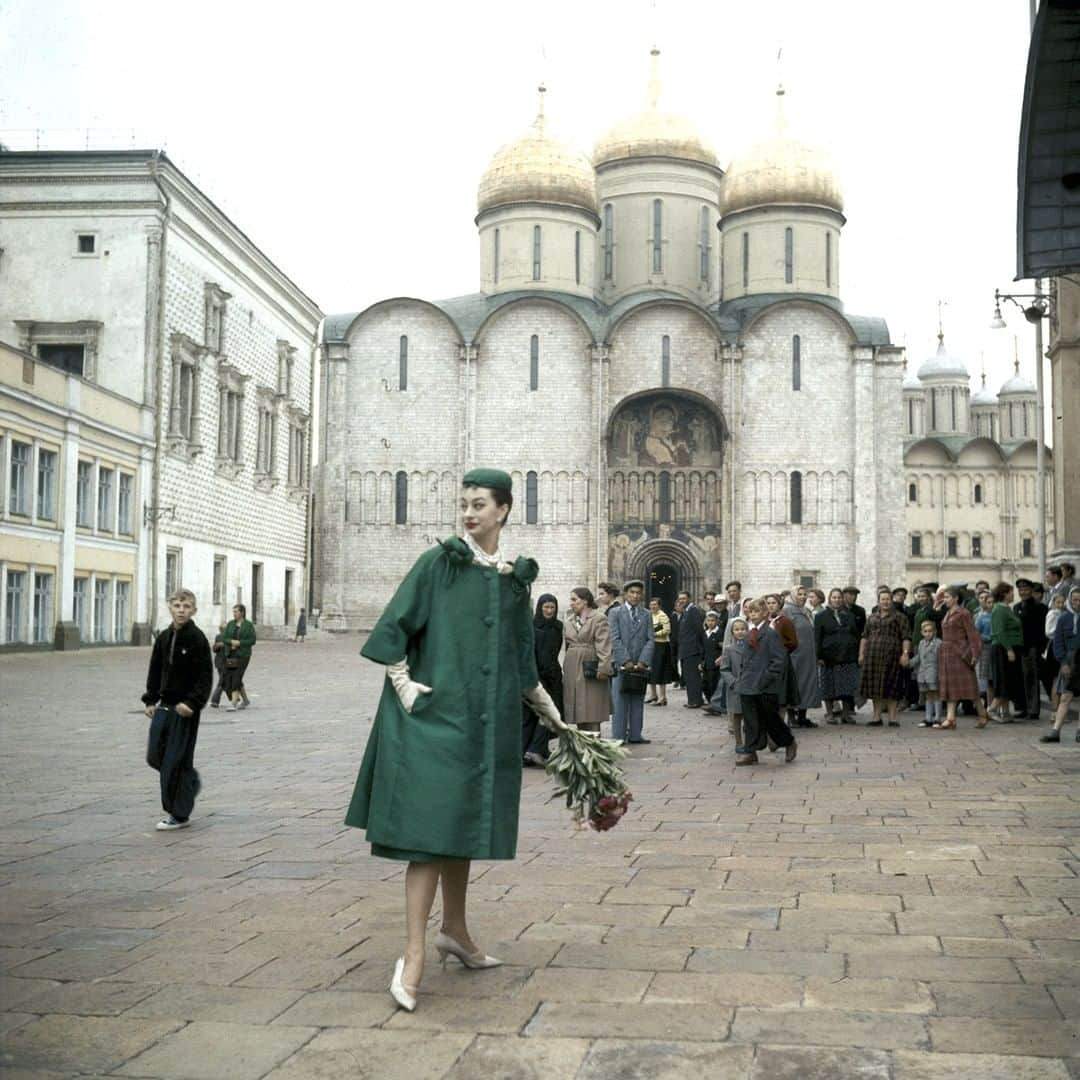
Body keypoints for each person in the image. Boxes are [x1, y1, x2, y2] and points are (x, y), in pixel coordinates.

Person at [344, 468, 566, 1014]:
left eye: (480, 504)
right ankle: (413, 954)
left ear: (504, 511)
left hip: (483, 724)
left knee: (462, 825)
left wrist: (553, 714)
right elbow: (395, 625)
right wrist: (403, 683)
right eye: (464, 504)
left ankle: (457, 933)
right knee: (427, 835)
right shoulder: (438, 563)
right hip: (432, 717)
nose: (470, 513)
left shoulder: (513, 579)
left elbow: (520, 656)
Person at [141, 588, 213, 831]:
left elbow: (205, 677)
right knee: (155, 756)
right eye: (177, 606)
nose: (181, 611)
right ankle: (189, 782)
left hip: (185, 710)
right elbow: (155, 669)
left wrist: (192, 703)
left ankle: (178, 814)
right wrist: (150, 700)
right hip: (164, 706)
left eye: (186, 607)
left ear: (193, 610)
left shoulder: (197, 639)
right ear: (170, 607)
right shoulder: (163, 637)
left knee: (175, 761)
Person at [733, 599, 797, 765]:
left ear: (765, 614)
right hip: (747, 684)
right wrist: (742, 678)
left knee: (771, 719)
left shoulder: (771, 634)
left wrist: (766, 678)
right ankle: (750, 751)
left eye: (756, 612)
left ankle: (788, 741)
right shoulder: (749, 633)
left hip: (764, 686)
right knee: (750, 720)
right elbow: (745, 658)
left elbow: (778, 660)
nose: (753, 614)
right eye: (750, 611)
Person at [936, 585, 989, 730]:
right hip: (947, 653)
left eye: (947, 597)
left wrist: (975, 654)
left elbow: (972, 634)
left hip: (960, 653)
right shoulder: (947, 613)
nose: (944, 600)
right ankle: (951, 718)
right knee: (951, 686)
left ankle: (983, 714)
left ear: (955, 598)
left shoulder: (963, 613)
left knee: (970, 688)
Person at [609, 579, 655, 744]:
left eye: (638, 593)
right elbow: (614, 638)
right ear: (625, 594)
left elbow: (651, 639)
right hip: (622, 664)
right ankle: (618, 735)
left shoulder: (647, 614)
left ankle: (636, 734)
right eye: (632, 592)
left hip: (640, 663)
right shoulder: (615, 613)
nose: (635, 596)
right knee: (620, 699)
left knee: (637, 698)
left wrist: (643, 660)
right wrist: (625, 659)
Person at [858, 587, 911, 727]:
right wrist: (861, 654)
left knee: (892, 686)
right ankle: (876, 717)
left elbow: (906, 637)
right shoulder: (872, 617)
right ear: (878, 601)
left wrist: (905, 654)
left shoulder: (900, 617)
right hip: (873, 656)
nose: (886, 602)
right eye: (883, 599)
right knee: (875, 688)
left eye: (888, 599)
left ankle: (893, 718)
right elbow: (864, 637)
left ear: (892, 601)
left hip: (892, 656)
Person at [562, 586, 612, 734]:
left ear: (585, 601)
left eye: (574, 599)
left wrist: (603, 668)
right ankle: (582, 746)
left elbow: (604, 644)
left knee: (592, 708)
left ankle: (594, 746)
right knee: (578, 709)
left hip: (590, 665)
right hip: (572, 667)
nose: (571, 603)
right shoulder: (570, 620)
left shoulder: (598, 618)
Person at [522, 594, 564, 766]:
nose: (549, 611)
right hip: (536, 676)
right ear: (540, 608)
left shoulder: (557, 626)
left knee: (550, 714)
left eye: (552, 607)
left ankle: (538, 749)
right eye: (545, 607)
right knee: (533, 716)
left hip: (552, 676)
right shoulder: (532, 627)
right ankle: (529, 751)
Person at [1040, 586, 1080, 743]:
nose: (1077, 603)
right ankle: (1055, 730)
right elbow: (1058, 642)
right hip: (1070, 660)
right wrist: (1063, 662)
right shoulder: (1063, 619)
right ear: (1070, 600)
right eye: (1075, 600)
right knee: (1065, 697)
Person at [815, 588, 860, 725]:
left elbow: (855, 634)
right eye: (834, 597)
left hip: (847, 655)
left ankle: (846, 714)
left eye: (839, 597)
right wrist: (819, 656)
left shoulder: (849, 615)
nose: (837, 600)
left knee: (847, 686)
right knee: (829, 686)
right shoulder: (821, 616)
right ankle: (829, 713)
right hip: (829, 657)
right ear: (830, 599)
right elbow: (817, 637)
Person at [783, 587, 821, 728]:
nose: (803, 597)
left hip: (808, 656)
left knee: (807, 685)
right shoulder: (787, 610)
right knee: (794, 685)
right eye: (799, 594)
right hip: (795, 655)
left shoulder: (807, 611)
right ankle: (792, 717)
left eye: (805, 594)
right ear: (793, 595)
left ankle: (803, 716)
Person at [988, 582, 1024, 722]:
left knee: (1009, 681)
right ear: (1004, 594)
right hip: (1003, 649)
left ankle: (1006, 712)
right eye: (1010, 592)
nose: (1013, 594)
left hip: (1010, 647)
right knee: (1004, 681)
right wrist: (1009, 649)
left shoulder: (1006, 608)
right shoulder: (999, 609)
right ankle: (991, 709)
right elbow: (999, 632)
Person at [1014, 579, 1047, 720]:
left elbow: (1042, 630)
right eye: (1021, 590)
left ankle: (1033, 710)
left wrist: (1040, 648)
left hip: (1033, 647)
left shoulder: (1041, 608)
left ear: (1032, 590)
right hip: (1020, 648)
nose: (1023, 592)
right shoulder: (1016, 607)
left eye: (1026, 589)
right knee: (1022, 679)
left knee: (1033, 679)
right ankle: (1024, 707)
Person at [717, 617, 749, 753]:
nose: (740, 632)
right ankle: (738, 742)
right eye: (737, 629)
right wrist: (733, 681)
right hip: (735, 688)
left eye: (743, 629)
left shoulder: (751, 646)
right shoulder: (729, 649)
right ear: (732, 632)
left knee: (749, 717)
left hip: (749, 686)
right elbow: (724, 669)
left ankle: (749, 742)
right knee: (736, 716)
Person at [675, 589, 706, 708]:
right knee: (688, 676)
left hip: (692, 649)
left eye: (684, 598)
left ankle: (696, 700)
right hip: (685, 649)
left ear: (689, 598)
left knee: (693, 676)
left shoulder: (693, 611)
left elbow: (698, 629)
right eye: (680, 599)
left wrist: (699, 647)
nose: (682, 601)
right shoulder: (685, 611)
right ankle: (691, 699)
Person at [221, 604, 255, 712]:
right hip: (231, 654)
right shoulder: (230, 624)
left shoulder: (248, 625)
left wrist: (239, 643)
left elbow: (252, 640)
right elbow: (224, 637)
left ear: (242, 613)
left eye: (236, 611)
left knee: (237, 676)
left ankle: (234, 702)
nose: (234, 614)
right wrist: (231, 642)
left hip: (243, 655)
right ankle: (245, 700)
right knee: (229, 677)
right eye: (233, 611)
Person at [910, 620, 943, 727]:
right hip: (923, 674)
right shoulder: (921, 643)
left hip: (934, 672)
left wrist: (941, 673)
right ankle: (928, 718)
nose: (928, 633)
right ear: (922, 632)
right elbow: (919, 657)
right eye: (925, 631)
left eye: (930, 631)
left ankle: (937, 718)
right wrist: (909, 663)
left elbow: (941, 659)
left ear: (935, 632)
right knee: (928, 695)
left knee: (936, 694)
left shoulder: (938, 643)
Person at [646, 597, 674, 706]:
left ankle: (662, 697)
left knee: (660, 671)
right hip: (653, 645)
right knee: (651, 670)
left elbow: (667, 630)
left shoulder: (662, 616)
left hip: (661, 645)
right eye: (651, 604)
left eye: (655, 605)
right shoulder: (649, 615)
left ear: (659, 606)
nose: (652, 607)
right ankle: (653, 695)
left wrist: (653, 633)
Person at [1042, 591, 1067, 707]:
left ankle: (1058, 708)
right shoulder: (1052, 613)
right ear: (1054, 602)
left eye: (1063, 602)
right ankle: (1054, 709)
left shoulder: (1064, 613)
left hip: (1062, 646)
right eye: (1058, 602)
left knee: (1061, 679)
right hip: (1054, 646)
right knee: (1056, 679)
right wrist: (1061, 631)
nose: (1061, 605)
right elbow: (1048, 632)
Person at [701, 609, 723, 704]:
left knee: (713, 684)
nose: (710, 623)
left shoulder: (720, 633)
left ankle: (714, 704)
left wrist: (721, 657)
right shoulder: (705, 633)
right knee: (704, 685)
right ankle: (710, 701)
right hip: (706, 663)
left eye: (713, 620)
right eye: (708, 620)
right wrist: (701, 661)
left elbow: (723, 648)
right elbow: (702, 649)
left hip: (715, 664)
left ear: (717, 621)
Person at [209, 624, 227, 708]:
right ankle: (214, 700)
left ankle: (236, 698)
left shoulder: (219, 637)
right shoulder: (227, 637)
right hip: (225, 663)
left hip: (219, 663)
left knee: (225, 680)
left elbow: (214, 650)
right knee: (222, 682)